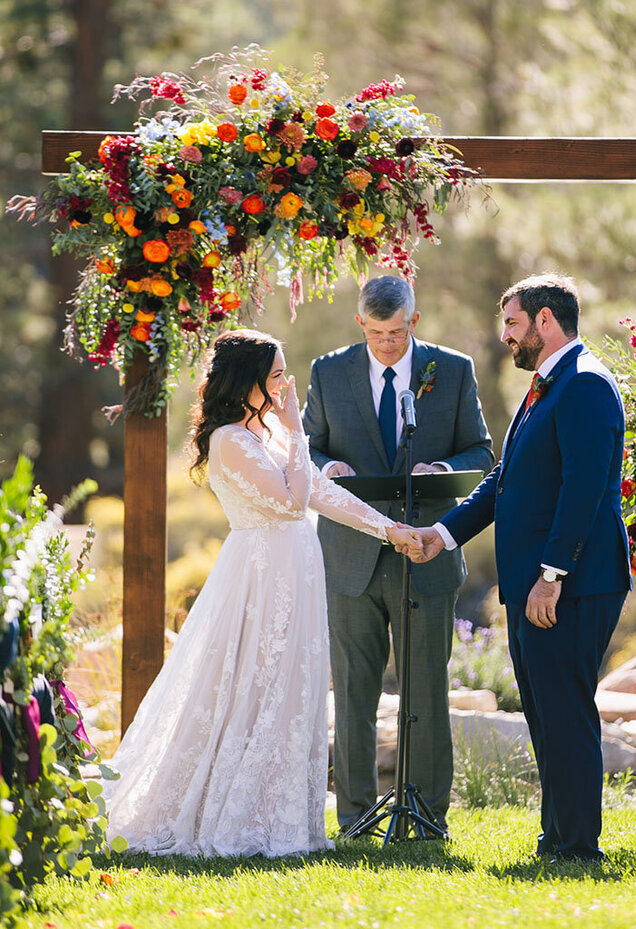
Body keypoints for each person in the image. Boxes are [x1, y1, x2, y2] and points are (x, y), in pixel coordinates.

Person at [104, 329, 422, 858]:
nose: (284, 383)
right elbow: (292, 502)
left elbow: (320, 490)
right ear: (245, 378)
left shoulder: (269, 429)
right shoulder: (230, 440)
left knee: (291, 687)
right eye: (275, 374)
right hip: (258, 574)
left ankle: (276, 813)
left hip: (297, 568)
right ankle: (219, 812)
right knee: (248, 686)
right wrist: (298, 430)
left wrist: (389, 530)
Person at [407, 273, 631, 861]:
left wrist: (552, 576)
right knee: (545, 711)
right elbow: (506, 481)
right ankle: (556, 837)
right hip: (541, 583)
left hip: (572, 584)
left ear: (545, 321)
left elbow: (583, 490)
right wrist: (442, 533)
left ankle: (579, 846)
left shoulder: (583, 385)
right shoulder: (545, 386)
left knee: (566, 708)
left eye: (512, 323)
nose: (504, 335)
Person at [302, 276, 493, 834]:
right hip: (349, 556)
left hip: (426, 549)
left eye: (398, 331)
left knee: (427, 689)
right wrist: (327, 468)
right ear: (360, 324)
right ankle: (356, 815)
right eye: (377, 333)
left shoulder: (452, 369)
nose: (388, 343)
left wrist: (439, 471)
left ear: (416, 319)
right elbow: (307, 445)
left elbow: (481, 450)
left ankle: (427, 815)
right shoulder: (327, 370)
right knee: (354, 691)